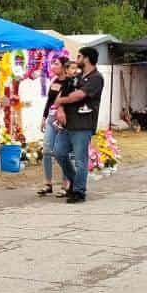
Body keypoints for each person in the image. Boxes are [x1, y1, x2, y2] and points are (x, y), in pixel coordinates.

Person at [53, 46, 104, 204]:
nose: (77, 59)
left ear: (87, 58)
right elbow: (62, 93)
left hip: (83, 124)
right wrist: (60, 108)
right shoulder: (77, 77)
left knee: (80, 160)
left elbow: (79, 95)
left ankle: (79, 192)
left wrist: (61, 101)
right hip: (68, 123)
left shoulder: (96, 78)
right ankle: (75, 181)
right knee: (58, 152)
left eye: (80, 56)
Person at [37, 57, 73, 197]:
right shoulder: (54, 82)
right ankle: (48, 184)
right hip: (51, 119)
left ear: (64, 66)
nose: (52, 66)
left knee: (62, 152)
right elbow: (49, 101)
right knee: (46, 150)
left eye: (56, 64)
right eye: (52, 63)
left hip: (63, 121)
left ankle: (66, 185)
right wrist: (44, 118)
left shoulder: (70, 83)